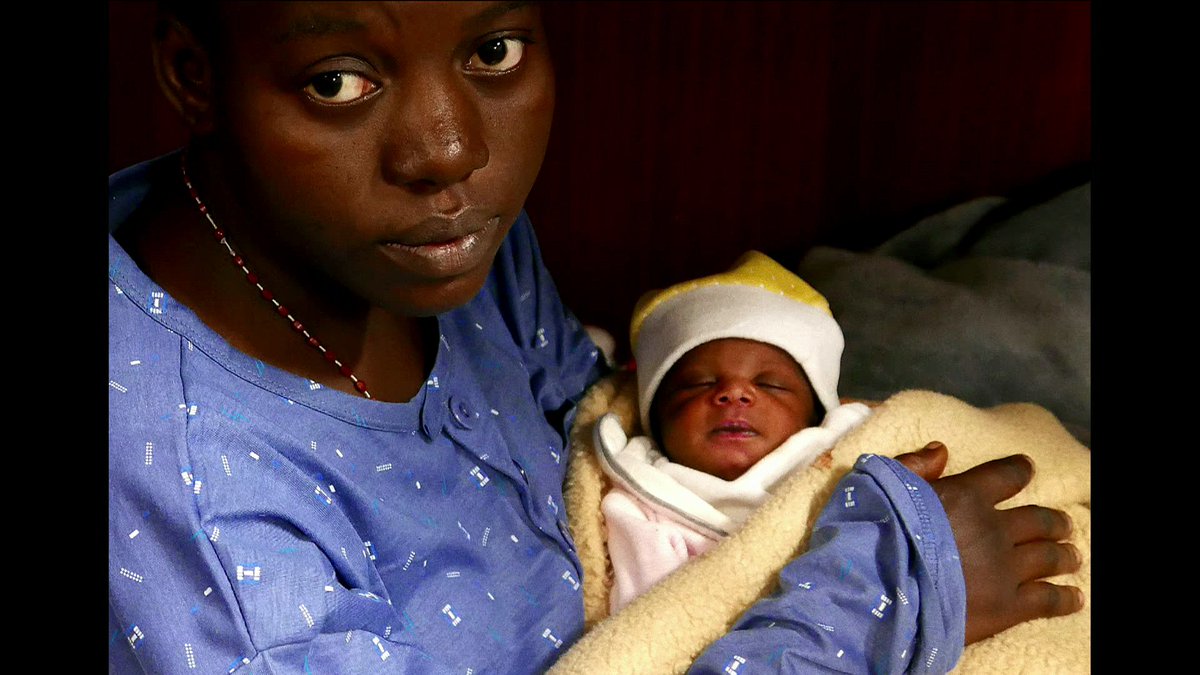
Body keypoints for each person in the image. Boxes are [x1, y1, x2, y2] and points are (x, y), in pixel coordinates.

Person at [108, 3, 1082, 673]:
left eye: (493, 51)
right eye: (336, 81)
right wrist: (876, 598)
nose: (451, 150)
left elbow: (583, 407)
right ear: (194, 76)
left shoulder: (427, 244)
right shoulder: (207, 525)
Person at [593, 250, 876, 613]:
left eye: (771, 384)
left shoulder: (848, 459)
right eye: (698, 384)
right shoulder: (641, 499)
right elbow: (645, 622)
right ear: (657, 420)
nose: (734, 392)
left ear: (815, 415)